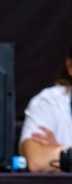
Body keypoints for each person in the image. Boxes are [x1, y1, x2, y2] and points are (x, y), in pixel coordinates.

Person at [19, 43, 72, 172]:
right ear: (70, 66)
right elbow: (36, 160)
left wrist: (64, 153)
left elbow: (50, 161)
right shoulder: (48, 102)